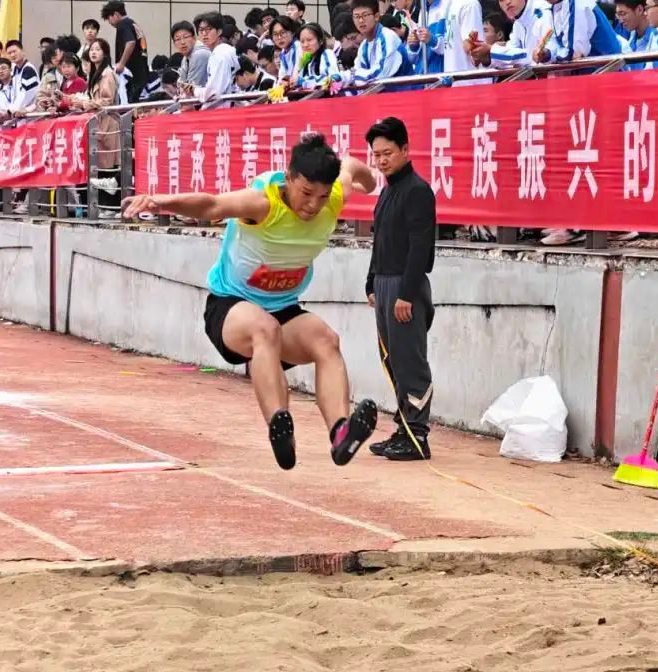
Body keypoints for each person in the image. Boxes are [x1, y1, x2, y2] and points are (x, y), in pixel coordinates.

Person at [122, 134, 380, 471]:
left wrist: (370, 183)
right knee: (264, 329)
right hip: (231, 307)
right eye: (305, 194)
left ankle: (340, 433)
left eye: (320, 196)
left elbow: (351, 166)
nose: (312, 206)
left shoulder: (333, 196)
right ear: (289, 179)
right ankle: (279, 427)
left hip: (284, 309)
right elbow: (211, 205)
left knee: (326, 340)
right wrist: (159, 201)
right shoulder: (263, 204)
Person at [364, 118, 436, 461]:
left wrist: (406, 294)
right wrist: (371, 282)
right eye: (376, 155)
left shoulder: (417, 191)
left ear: (405, 150)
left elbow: (420, 248)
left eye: (388, 153)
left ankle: (417, 435)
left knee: (410, 361)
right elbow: (380, 241)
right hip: (384, 283)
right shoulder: (387, 191)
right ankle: (404, 427)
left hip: (405, 287)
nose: (381, 161)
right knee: (392, 359)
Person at [69, 39, 122, 217]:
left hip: (108, 122)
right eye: (92, 49)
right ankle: (105, 206)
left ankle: (112, 207)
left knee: (109, 166)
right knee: (100, 165)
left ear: (105, 53)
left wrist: (85, 104)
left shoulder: (107, 73)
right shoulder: (95, 73)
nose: (93, 52)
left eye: (98, 49)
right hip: (98, 122)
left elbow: (106, 100)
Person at [101, 0, 149, 103]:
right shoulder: (132, 23)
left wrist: (121, 63)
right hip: (141, 72)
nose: (109, 22)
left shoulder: (123, 24)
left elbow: (131, 42)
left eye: (109, 18)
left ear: (116, 14)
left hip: (132, 74)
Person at [193, 12, 241, 108]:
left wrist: (194, 90)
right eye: (201, 30)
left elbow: (213, 93)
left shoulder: (220, 53)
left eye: (208, 29)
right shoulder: (223, 50)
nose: (204, 34)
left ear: (219, 31)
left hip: (224, 110)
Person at [292, 22, 340, 88]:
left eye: (309, 40)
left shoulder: (327, 54)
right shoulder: (305, 59)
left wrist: (303, 81)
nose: (305, 45)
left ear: (320, 40)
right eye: (302, 42)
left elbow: (334, 78)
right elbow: (296, 79)